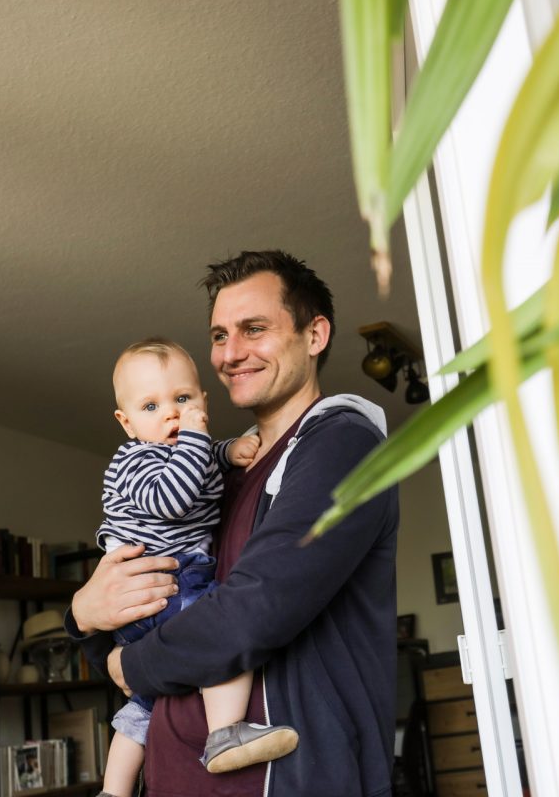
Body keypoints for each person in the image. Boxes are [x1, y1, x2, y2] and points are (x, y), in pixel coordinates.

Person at [66, 250, 399, 797]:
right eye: (220, 336)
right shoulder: (221, 471)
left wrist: (133, 664)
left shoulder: (340, 443)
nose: (232, 353)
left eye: (254, 329)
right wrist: (83, 616)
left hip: (291, 781)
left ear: (315, 335)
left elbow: (254, 608)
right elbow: (155, 597)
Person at [96, 338, 299, 797]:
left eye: (183, 399)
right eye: (151, 405)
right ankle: (225, 732)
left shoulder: (188, 450)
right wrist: (198, 438)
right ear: (126, 423)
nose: (171, 413)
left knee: (145, 708)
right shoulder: (132, 462)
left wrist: (227, 452)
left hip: (162, 592)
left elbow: (202, 462)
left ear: (203, 401)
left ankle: (113, 790)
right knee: (223, 628)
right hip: (163, 584)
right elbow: (174, 498)